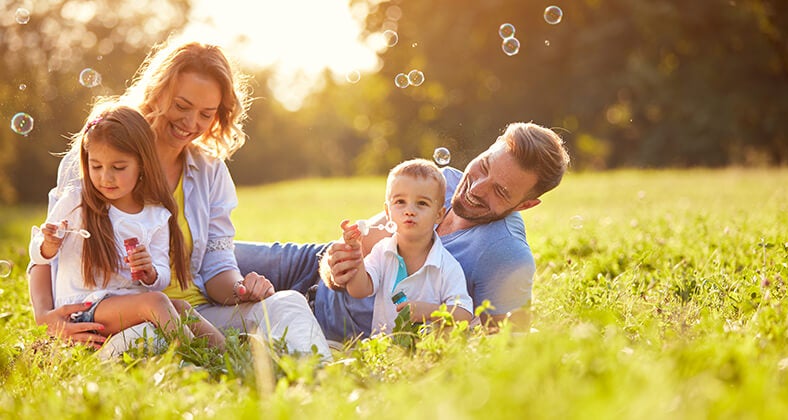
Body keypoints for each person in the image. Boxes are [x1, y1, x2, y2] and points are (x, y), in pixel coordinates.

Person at [28, 38, 331, 359]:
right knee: (146, 342)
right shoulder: (99, 154)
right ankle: (223, 362)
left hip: (194, 315)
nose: (191, 123)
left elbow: (217, 265)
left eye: (206, 113)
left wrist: (242, 290)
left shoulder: (208, 170)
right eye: (182, 106)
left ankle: (315, 379)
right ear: (157, 92)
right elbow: (46, 255)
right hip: (116, 317)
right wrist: (45, 319)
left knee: (288, 303)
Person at [235, 121, 570, 341]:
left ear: (525, 205)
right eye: (483, 166)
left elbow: (503, 346)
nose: (476, 188)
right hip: (309, 264)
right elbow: (363, 239)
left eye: (500, 191)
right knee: (209, 254)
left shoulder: (506, 254)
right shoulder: (447, 180)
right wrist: (335, 265)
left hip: (328, 326)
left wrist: (433, 317)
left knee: (217, 306)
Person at [29, 105, 225, 350]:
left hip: (124, 305)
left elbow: (162, 274)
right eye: (96, 166)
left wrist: (150, 272)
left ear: (142, 165)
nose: (105, 178)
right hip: (83, 309)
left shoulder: (155, 215)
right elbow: (38, 257)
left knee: (182, 308)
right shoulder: (76, 201)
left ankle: (226, 351)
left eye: (118, 168)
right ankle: (195, 355)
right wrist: (47, 246)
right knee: (156, 302)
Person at [335, 159, 472, 335]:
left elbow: (464, 314)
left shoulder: (446, 265)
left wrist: (431, 311)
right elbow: (359, 290)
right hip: (386, 351)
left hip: (428, 353)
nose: (409, 210)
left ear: (439, 215)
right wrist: (354, 253)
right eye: (400, 202)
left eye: (422, 203)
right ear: (387, 212)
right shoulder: (382, 251)